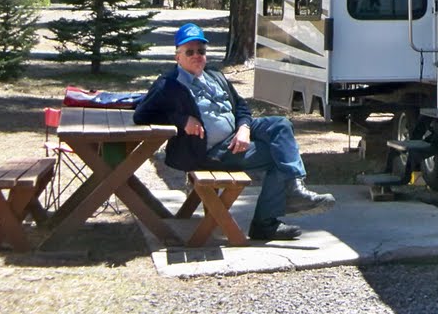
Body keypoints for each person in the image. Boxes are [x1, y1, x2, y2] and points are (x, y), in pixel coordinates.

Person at [135, 22, 334, 241]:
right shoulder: (168, 85)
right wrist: (181, 120)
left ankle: (294, 187)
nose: (196, 55)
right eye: (189, 51)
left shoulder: (214, 76)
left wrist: (244, 128)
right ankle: (266, 224)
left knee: (281, 125)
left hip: (234, 138)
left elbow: (241, 106)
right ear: (177, 57)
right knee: (279, 158)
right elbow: (142, 114)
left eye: (201, 51)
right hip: (209, 153)